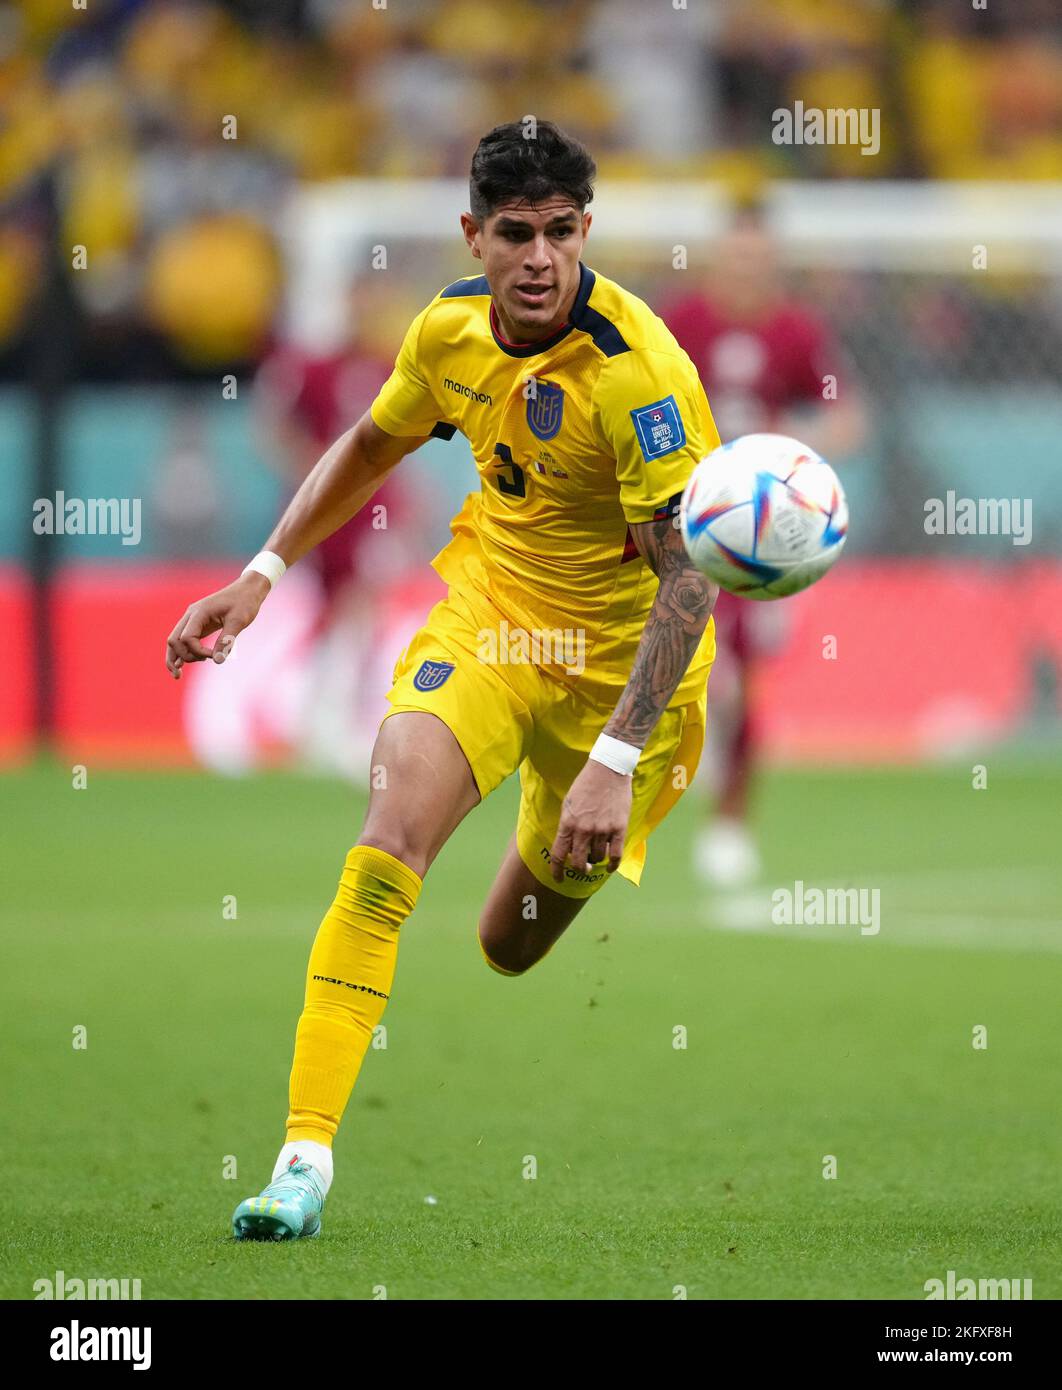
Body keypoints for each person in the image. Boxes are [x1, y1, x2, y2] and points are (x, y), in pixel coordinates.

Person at [165, 121, 721, 1242]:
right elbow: (371, 444)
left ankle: (574, 807)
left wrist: (611, 764)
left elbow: (691, 584)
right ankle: (301, 1161)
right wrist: (262, 572)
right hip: (493, 627)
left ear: (586, 233)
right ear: (473, 235)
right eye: (514, 233)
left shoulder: (639, 372)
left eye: (562, 233)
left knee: (508, 942)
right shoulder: (447, 332)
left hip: (621, 680)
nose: (539, 259)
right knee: (383, 848)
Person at [662, 207, 865, 888]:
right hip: (671, 522)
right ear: (718, 258)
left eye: (757, 258)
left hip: (756, 539)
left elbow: (848, 416)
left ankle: (729, 822)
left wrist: (795, 459)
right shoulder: (678, 324)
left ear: (771, 262)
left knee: (741, 681)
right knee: (664, 663)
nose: (746, 268)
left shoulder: (795, 332)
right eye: (735, 256)